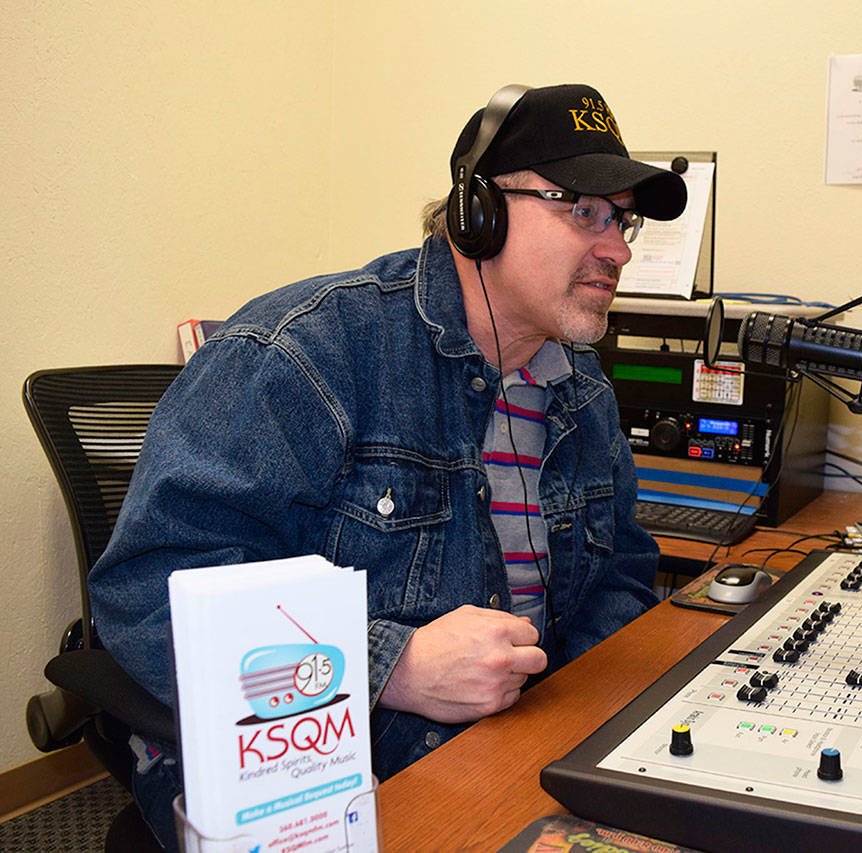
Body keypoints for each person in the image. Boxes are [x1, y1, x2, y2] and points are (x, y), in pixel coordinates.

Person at [88, 82, 687, 848]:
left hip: (511, 748)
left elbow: (621, 573)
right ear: (479, 211)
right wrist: (388, 665)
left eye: (622, 220)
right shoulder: (303, 355)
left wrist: (569, 710)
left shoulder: (582, 388)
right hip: (319, 770)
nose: (619, 249)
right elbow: (150, 594)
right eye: (583, 211)